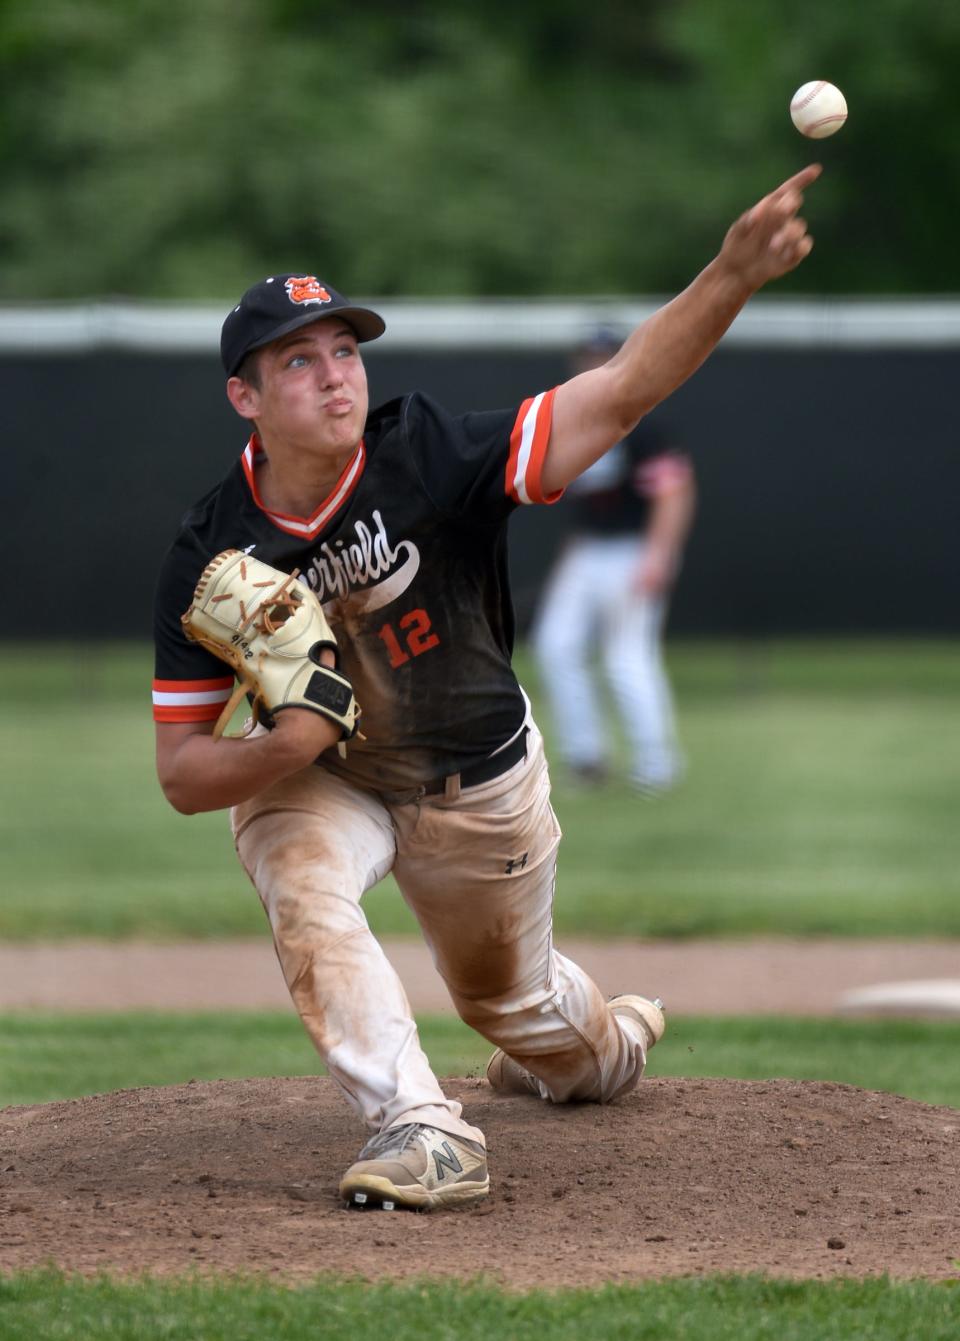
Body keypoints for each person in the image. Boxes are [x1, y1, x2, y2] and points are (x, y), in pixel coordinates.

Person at [152, 166, 821, 1211]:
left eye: (344, 351)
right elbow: (184, 773)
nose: (336, 377)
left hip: (478, 787)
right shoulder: (212, 553)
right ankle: (418, 1127)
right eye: (297, 362)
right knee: (301, 880)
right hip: (328, 775)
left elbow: (623, 389)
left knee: (526, 1020)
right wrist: (285, 746)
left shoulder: (429, 455)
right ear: (245, 397)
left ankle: (603, 1042)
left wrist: (730, 277)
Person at [533, 327, 696, 793]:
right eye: (586, 356)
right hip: (588, 551)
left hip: (633, 549)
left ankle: (656, 763)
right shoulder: (573, 420)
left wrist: (660, 555)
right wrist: (568, 562)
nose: (592, 364)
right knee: (555, 645)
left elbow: (675, 492)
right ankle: (586, 759)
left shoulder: (642, 422)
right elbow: (581, 506)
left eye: (603, 356)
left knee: (626, 656)